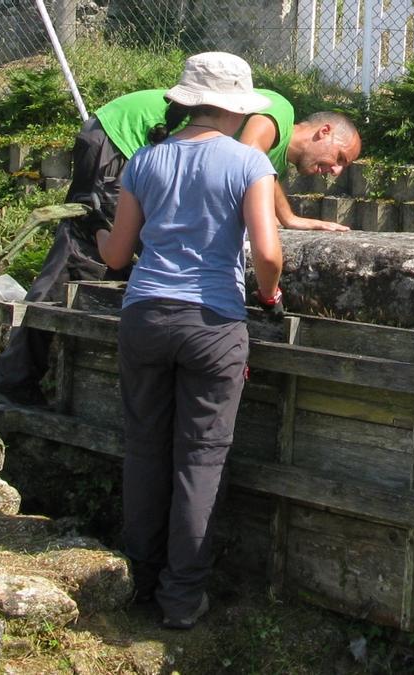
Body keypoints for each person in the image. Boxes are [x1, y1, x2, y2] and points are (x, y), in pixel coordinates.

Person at [0, 83, 361, 408]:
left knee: (118, 262)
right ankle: (13, 377)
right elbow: (243, 158)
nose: (336, 171)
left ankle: (39, 375)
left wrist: (288, 218)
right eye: (340, 158)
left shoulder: (269, 150)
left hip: (133, 149)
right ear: (323, 131)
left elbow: (256, 166)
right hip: (121, 140)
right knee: (85, 257)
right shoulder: (277, 110)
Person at [98, 51, 283, 629]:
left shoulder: (146, 161)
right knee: (200, 459)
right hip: (213, 324)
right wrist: (270, 297)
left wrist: (99, 231)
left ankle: (141, 580)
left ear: (186, 100)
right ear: (236, 108)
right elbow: (269, 255)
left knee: (145, 449)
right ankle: (182, 599)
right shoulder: (248, 164)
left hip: (145, 317)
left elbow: (117, 256)